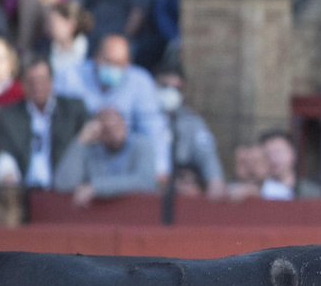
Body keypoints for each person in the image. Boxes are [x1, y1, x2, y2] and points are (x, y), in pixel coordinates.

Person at [54, 33, 170, 179]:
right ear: (96, 56)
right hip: (82, 156)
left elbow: (153, 129)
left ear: (128, 63)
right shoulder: (69, 77)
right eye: (108, 61)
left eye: (119, 63)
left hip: (124, 162)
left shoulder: (140, 81)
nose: (112, 68)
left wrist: (160, 168)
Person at [0, 55, 89, 188]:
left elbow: (86, 146)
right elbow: (4, 151)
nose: (37, 86)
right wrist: (7, 172)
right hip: (25, 192)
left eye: (41, 80)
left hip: (65, 190)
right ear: (23, 84)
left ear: (51, 81)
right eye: (31, 81)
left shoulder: (73, 110)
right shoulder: (9, 116)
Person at [53, 104, 156, 205]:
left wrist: (95, 187)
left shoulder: (141, 145)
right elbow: (63, 184)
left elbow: (145, 181)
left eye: (116, 125)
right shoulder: (91, 150)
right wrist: (81, 140)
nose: (113, 132)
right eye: (107, 128)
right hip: (97, 218)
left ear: (124, 123)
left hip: (134, 214)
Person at [154, 63, 222, 197]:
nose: (170, 92)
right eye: (165, 86)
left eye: (177, 89)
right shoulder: (140, 118)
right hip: (149, 186)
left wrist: (216, 182)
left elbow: (207, 155)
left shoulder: (192, 121)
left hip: (182, 185)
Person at [258, 129, 318, 199]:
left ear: (292, 153)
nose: (273, 159)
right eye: (267, 154)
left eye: (278, 152)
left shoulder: (312, 192)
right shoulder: (256, 191)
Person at [45, 0, 93, 81]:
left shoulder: (92, 50)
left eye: (54, 23)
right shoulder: (43, 48)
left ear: (71, 25)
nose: (49, 27)